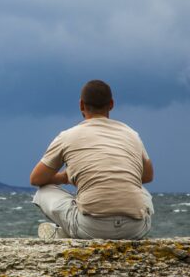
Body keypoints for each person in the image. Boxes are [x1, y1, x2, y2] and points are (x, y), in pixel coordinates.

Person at [30, 79, 154, 239]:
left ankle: (63, 233)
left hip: (92, 229)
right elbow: (148, 176)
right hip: (135, 229)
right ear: (111, 104)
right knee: (141, 189)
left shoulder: (67, 136)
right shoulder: (132, 134)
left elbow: (36, 179)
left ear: (81, 105)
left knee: (43, 191)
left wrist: (64, 177)